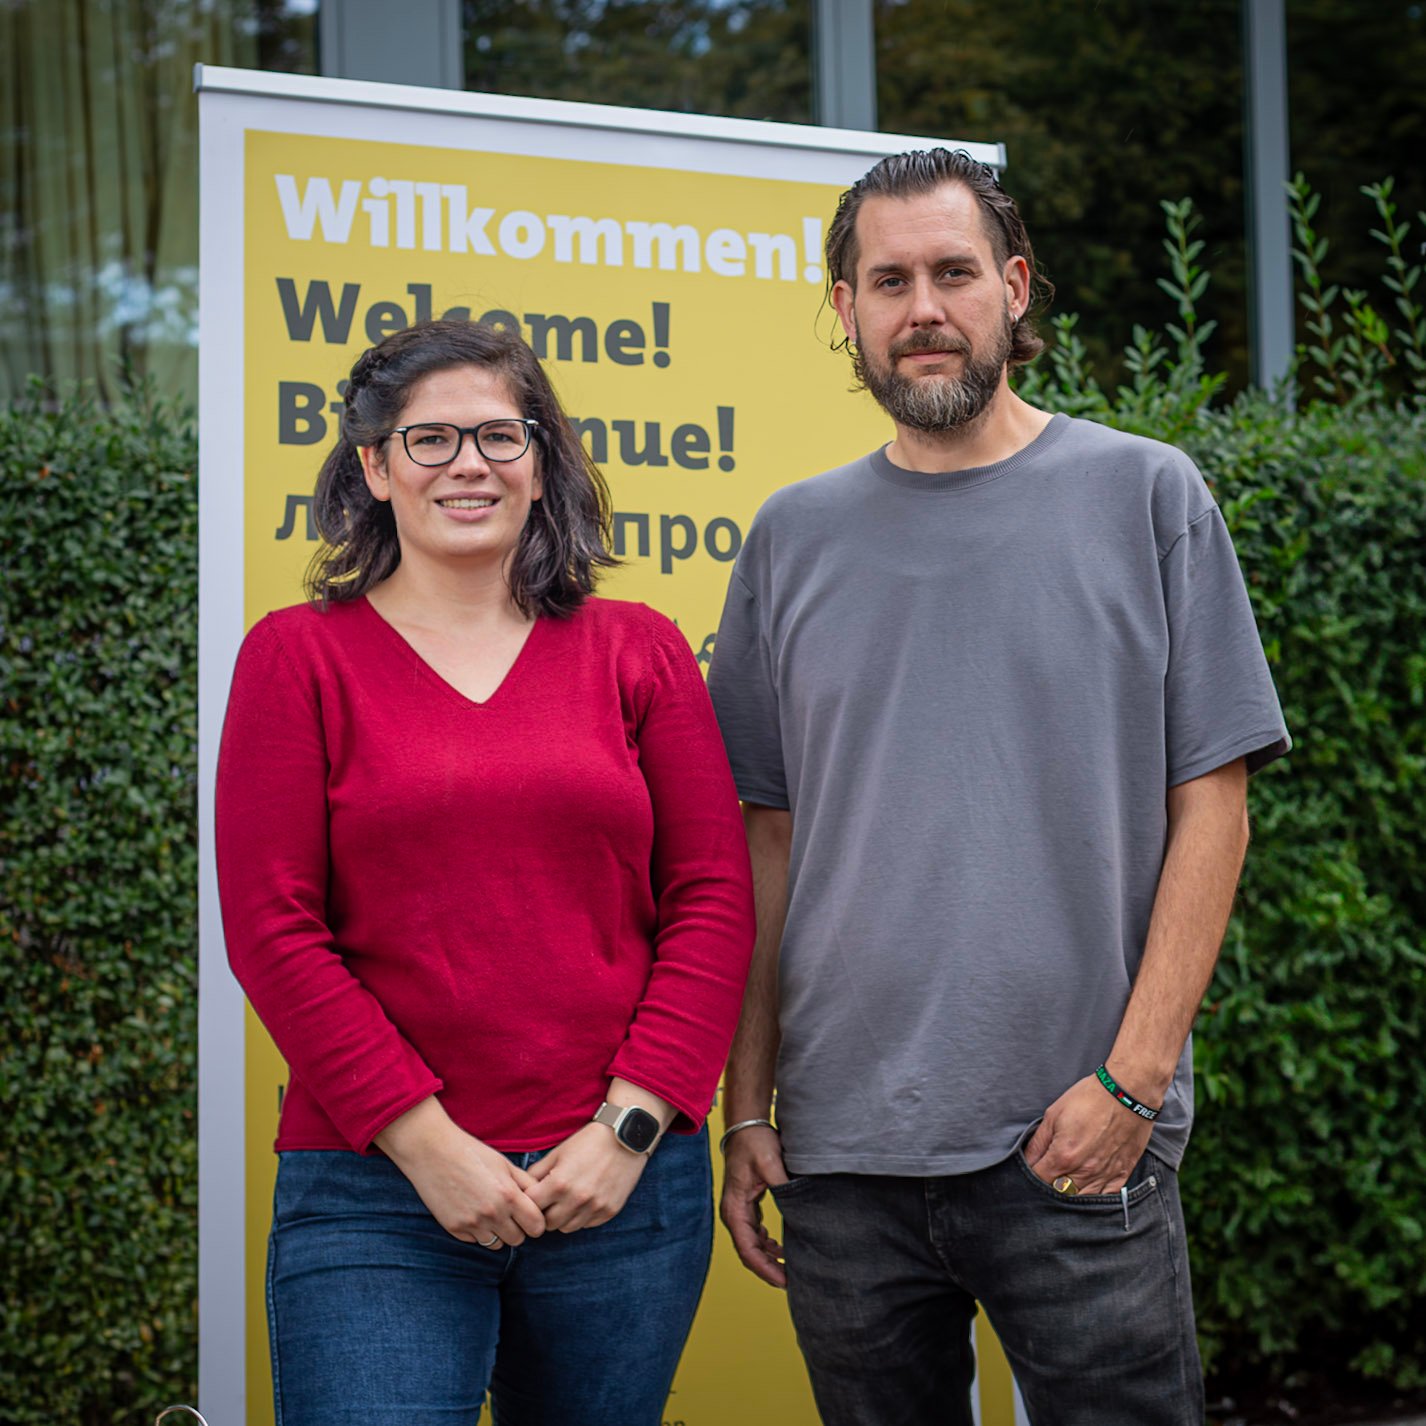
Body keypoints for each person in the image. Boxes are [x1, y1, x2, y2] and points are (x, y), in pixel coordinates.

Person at [707, 148, 1290, 1426]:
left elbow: (1215, 806)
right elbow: (763, 840)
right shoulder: (789, 539)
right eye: (889, 279)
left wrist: (1132, 1085)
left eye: (954, 272)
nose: (924, 307)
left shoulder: (1147, 495)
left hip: (1077, 1142)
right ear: (845, 309)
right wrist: (745, 1103)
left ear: (1014, 289)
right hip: (839, 1157)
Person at [216, 318, 755, 1426]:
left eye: (502, 436)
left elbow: (710, 898)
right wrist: (427, 1146)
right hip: (376, 1190)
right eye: (431, 439)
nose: (469, 462)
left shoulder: (639, 649)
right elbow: (272, 928)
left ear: (544, 460)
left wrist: (630, 1128)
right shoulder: (296, 656)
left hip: (615, 1190)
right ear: (373, 466)